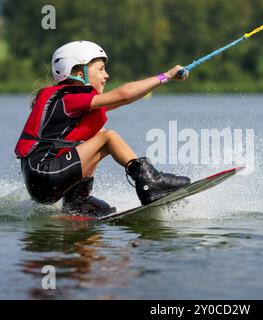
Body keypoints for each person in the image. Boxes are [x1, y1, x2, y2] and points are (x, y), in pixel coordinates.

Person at [14, 40, 191, 216]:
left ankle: (77, 201)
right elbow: (123, 95)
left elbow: (125, 99)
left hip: (40, 181)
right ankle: (150, 182)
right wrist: (166, 76)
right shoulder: (70, 99)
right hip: (46, 174)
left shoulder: (67, 101)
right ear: (78, 72)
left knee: (94, 136)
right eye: (100, 69)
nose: (106, 75)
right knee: (108, 137)